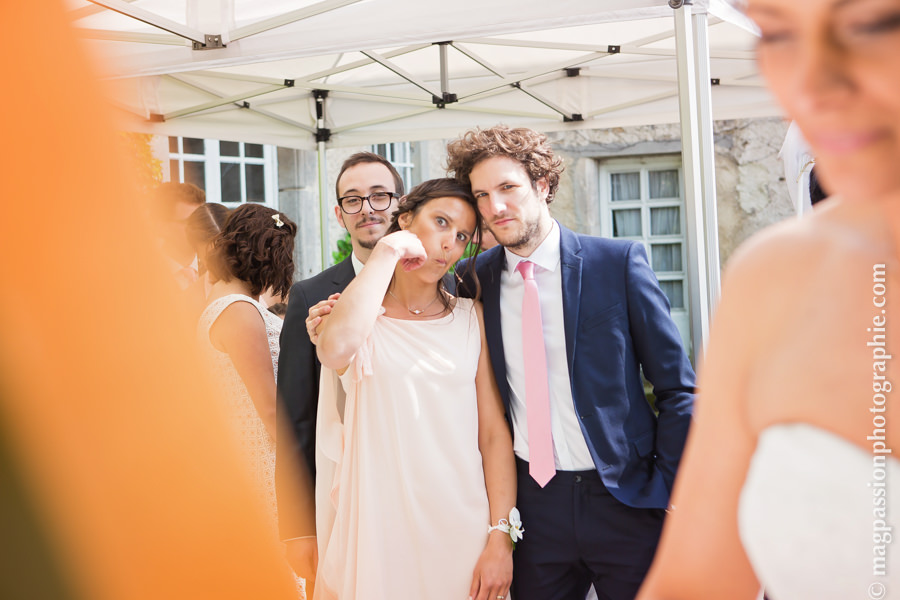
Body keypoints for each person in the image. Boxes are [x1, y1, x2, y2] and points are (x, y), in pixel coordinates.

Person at [636, 1, 900, 599]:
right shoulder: (775, 275)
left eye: (871, 24)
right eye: (778, 34)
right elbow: (693, 583)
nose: (812, 83)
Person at [445, 125, 696, 600]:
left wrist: (669, 490)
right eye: (482, 195)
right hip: (533, 510)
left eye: (508, 187)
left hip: (626, 499)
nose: (495, 206)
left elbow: (678, 389)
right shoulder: (472, 279)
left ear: (542, 185)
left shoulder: (617, 263)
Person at [313, 178, 517, 600]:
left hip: (461, 526)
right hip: (381, 530)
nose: (449, 244)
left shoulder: (470, 317)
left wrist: (500, 535)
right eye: (440, 222)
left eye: (462, 236)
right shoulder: (359, 314)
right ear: (405, 219)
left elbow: (493, 435)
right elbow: (334, 350)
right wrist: (388, 250)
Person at [275, 152, 404, 584]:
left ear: (401, 205)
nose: (368, 208)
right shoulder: (310, 296)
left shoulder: (445, 287)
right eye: (353, 199)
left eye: (380, 196)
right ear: (339, 214)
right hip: (344, 494)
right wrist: (298, 527)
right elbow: (294, 416)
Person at [197, 204, 306, 596]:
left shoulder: (228, 303)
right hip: (262, 459)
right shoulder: (238, 311)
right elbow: (268, 404)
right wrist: (303, 464)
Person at [152, 181, 206, 289]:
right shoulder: (147, 273)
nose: (201, 227)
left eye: (203, 219)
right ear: (162, 226)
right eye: (190, 221)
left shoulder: (217, 271)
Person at [186, 202, 231, 297]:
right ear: (196, 249)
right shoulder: (189, 298)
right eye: (212, 257)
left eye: (226, 251)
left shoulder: (257, 283)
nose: (221, 263)